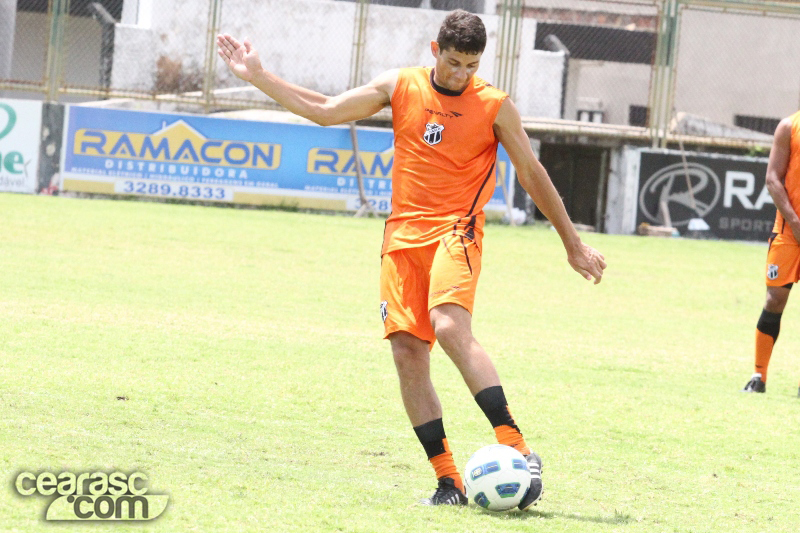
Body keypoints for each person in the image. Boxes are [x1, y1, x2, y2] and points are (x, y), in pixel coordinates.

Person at [217, 9, 606, 507]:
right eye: (453, 62)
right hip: (402, 236)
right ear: (434, 51)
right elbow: (327, 109)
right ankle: (448, 481)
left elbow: (532, 173)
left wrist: (572, 244)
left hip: (456, 231)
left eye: (471, 64)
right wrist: (258, 76)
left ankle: (517, 445)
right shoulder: (400, 86)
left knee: (447, 327)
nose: (461, 74)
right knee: (407, 353)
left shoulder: (494, 106)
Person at [743, 111, 800, 397]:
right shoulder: (789, 127)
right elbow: (773, 180)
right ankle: (758, 376)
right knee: (775, 298)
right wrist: (795, 222)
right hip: (788, 231)